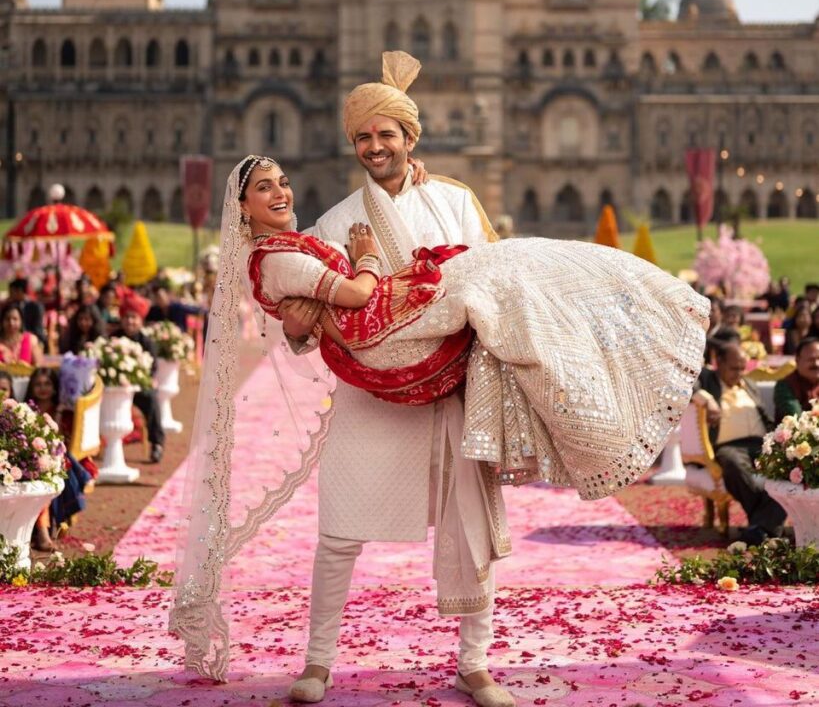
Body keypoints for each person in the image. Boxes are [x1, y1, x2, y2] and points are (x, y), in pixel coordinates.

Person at [170, 53, 709, 706]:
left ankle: (473, 664)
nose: (374, 146)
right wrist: (295, 324)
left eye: (385, 134)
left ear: (408, 139)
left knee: (470, 528)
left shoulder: (454, 200)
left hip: (456, 385)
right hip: (374, 394)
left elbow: (498, 288)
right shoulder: (337, 223)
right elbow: (306, 317)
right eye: (363, 137)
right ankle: (316, 663)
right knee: (339, 529)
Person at [692, 334, 786, 544]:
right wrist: (707, 400)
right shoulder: (709, 379)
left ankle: (759, 528)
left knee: (791, 471)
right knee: (733, 464)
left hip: (763, 445)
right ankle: (766, 526)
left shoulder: (749, 384)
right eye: (734, 368)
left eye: (743, 368)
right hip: (729, 447)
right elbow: (686, 381)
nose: (740, 373)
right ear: (719, 363)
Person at [23, 366, 91, 551]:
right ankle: (40, 533)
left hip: (59, 460)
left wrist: (58, 417)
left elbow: (65, 442)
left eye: (47, 384)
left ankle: (42, 534)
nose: (43, 388)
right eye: (38, 384)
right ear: (31, 387)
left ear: (55, 387)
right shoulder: (25, 409)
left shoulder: (64, 411)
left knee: (43, 475)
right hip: (30, 460)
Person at [112, 294, 165, 463]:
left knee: (152, 399)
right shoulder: (113, 339)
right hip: (115, 388)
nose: (130, 321)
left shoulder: (147, 342)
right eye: (126, 317)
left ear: (140, 320)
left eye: (133, 317)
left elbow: (153, 369)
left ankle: (157, 444)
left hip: (138, 388)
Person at [774, 336, 819, 422]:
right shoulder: (785, 386)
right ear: (797, 360)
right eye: (811, 360)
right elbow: (797, 420)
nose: (816, 364)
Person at [6, 278, 47, 346]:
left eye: (12, 292)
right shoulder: (10, 306)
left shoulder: (35, 307)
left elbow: (37, 329)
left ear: (19, 291)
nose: (10, 295)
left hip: (32, 339)